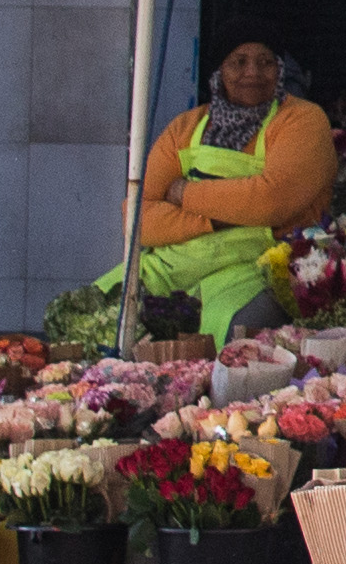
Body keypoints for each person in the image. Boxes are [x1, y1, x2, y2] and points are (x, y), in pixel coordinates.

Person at [128, 41, 333, 341]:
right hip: (173, 266)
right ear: (219, 71)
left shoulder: (302, 119)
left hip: (257, 269)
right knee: (100, 315)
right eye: (239, 62)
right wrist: (220, 217)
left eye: (266, 62)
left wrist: (184, 194)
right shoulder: (184, 127)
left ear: (279, 70)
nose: (253, 72)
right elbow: (138, 220)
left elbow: (270, 201)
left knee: (227, 339)